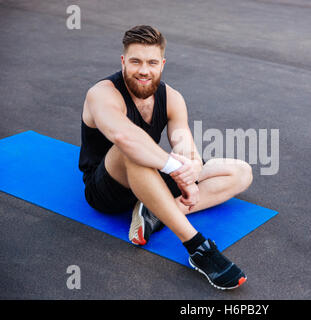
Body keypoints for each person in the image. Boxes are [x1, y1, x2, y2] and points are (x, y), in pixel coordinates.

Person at [78, 25, 252, 290]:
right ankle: (198, 249)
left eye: (152, 62)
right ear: (124, 61)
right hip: (106, 189)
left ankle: (154, 213)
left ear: (162, 65)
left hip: (149, 175)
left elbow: (185, 146)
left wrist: (191, 169)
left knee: (240, 172)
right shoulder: (102, 94)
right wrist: (177, 172)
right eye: (135, 61)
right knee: (132, 148)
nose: (144, 70)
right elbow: (125, 137)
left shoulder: (172, 98)